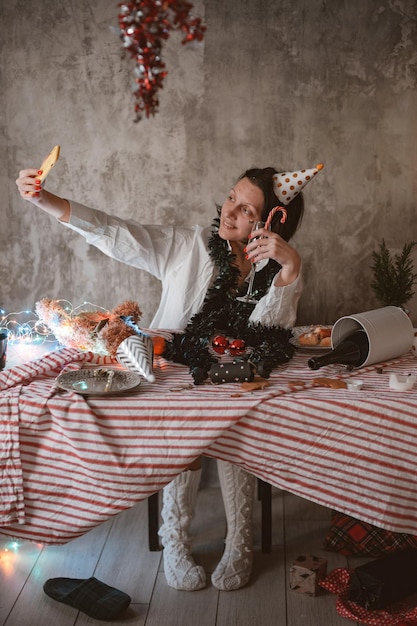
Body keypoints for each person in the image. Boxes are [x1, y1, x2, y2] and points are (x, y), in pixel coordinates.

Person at [16, 161, 322, 592]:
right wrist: (45, 199)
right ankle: (174, 539)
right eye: (232, 197)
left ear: (273, 222)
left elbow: (267, 333)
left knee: (240, 439)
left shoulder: (271, 268)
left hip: (240, 377)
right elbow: (116, 233)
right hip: (173, 374)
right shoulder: (190, 245)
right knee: (182, 444)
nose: (230, 211)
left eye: (248, 211)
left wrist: (289, 270)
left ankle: (240, 543)